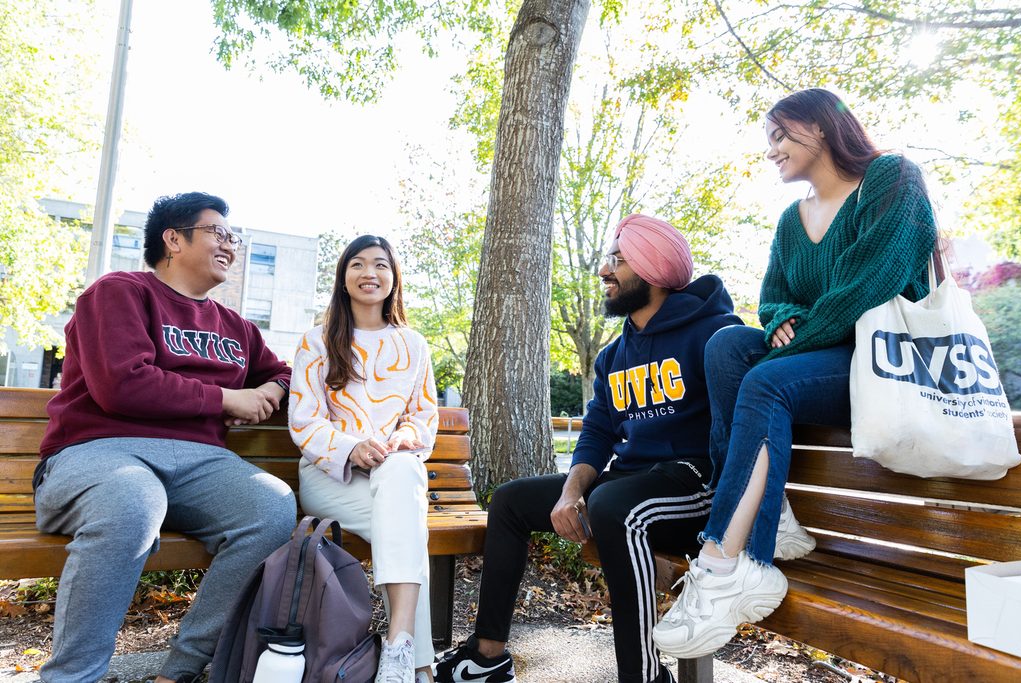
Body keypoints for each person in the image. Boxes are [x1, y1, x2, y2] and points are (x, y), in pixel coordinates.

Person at [652, 89, 938, 659]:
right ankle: (771, 512)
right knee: (729, 344)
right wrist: (782, 321)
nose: (772, 150)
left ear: (823, 128)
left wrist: (790, 342)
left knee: (764, 378)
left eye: (780, 135)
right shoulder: (791, 220)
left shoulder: (892, 180)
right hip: (822, 363)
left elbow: (866, 290)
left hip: (886, 366)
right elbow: (773, 298)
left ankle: (729, 564)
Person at [434, 214, 743, 683]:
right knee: (512, 501)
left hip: (695, 486)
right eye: (607, 259)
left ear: (654, 270)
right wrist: (569, 493)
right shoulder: (613, 355)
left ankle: (641, 676)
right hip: (631, 485)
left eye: (618, 260)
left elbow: (744, 426)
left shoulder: (713, 331)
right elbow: (598, 432)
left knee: (614, 505)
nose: (604, 271)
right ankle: (488, 655)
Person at [33, 192, 298, 683]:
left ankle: (177, 672)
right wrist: (225, 399)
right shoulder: (118, 293)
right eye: (216, 232)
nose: (229, 245)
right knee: (132, 501)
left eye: (231, 237)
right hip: (98, 453)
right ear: (173, 240)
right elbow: (122, 384)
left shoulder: (236, 327)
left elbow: (283, 374)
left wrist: (265, 389)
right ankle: (72, 677)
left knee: (270, 508)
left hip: (200, 464)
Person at [289, 234, 438, 683]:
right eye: (357, 264)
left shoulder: (412, 343)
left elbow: (423, 415)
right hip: (330, 475)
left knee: (401, 481)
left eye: (380, 265)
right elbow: (304, 420)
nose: (369, 273)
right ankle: (419, 665)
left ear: (394, 279)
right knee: (407, 529)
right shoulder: (317, 341)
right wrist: (351, 447)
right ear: (343, 277)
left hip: (393, 474)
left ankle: (400, 648)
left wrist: (399, 441)